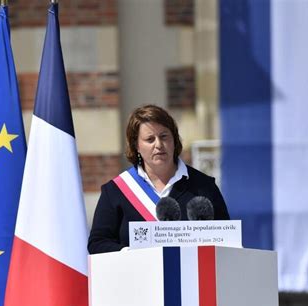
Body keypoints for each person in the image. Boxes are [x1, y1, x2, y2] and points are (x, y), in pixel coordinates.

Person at [88, 104, 230, 254]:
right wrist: (131, 254)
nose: (159, 145)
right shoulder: (116, 191)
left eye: (164, 137)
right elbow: (97, 244)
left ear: (174, 140)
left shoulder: (204, 186)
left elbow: (227, 241)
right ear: (136, 145)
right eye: (150, 139)